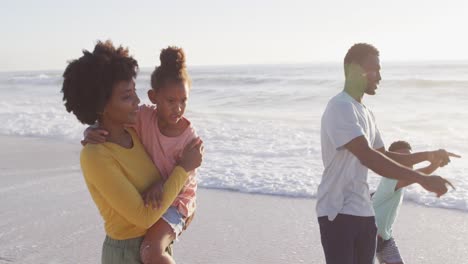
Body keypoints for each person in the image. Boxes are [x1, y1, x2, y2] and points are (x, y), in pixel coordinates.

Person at [61, 40, 203, 264]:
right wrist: (184, 168)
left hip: (155, 247)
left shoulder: (136, 134)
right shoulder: (95, 155)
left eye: (134, 92)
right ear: (100, 105)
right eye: (127, 96)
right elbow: (144, 217)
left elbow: (169, 192)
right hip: (126, 255)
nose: (138, 101)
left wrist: (185, 210)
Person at [317, 43, 456, 264]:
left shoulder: (366, 113)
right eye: (374, 69)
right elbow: (368, 156)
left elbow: (387, 156)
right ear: (353, 68)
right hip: (337, 211)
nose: (379, 77)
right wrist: (422, 178)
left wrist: (429, 155)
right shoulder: (339, 107)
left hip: (364, 212)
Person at [372, 141, 460, 264]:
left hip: (386, 237)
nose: (408, 163)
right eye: (403, 159)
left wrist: (436, 161)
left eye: (409, 158)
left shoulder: (396, 179)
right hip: (371, 236)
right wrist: (434, 162)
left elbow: (421, 174)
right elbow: (420, 175)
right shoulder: (391, 178)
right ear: (391, 162)